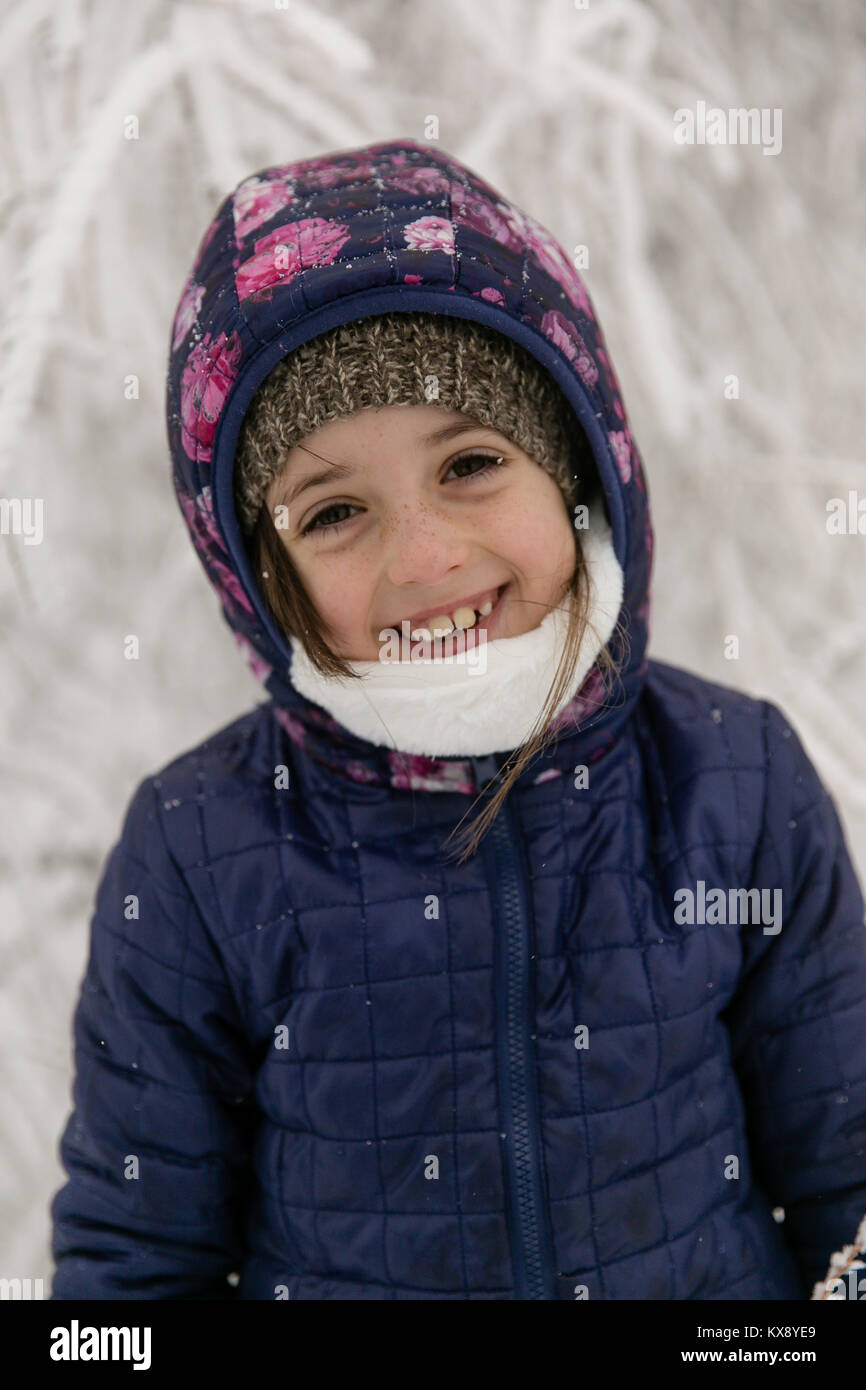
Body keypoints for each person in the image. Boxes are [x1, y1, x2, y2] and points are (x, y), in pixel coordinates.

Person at [49, 136, 866, 1300]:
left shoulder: (733, 782)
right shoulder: (197, 848)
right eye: (333, 511)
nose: (423, 556)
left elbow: (847, 1190)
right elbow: (133, 1267)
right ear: (252, 571)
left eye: (471, 460)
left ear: (579, 471)